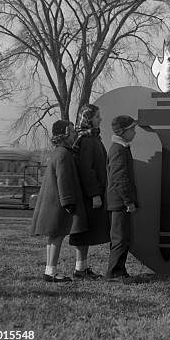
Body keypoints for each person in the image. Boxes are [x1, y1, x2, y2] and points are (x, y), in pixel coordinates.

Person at [31, 120, 87, 282]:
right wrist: (68, 202)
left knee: (53, 237)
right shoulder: (64, 154)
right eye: (71, 131)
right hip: (59, 203)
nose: (75, 134)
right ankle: (51, 272)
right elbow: (63, 180)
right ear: (65, 135)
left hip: (53, 201)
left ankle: (49, 270)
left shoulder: (58, 152)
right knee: (57, 236)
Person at [68, 103, 111, 279]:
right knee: (83, 232)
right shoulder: (85, 140)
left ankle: (82, 268)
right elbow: (87, 169)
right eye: (97, 116)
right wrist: (94, 194)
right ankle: (80, 269)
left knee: (86, 232)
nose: (100, 119)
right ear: (88, 119)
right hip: (88, 195)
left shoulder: (93, 138)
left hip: (92, 193)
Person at [105, 115, 139, 282]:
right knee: (119, 238)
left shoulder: (122, 148)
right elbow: (120, 178)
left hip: (119, 202)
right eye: (132, 129)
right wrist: (128, 201)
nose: (134, 132)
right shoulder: (118, 150)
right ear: (123, 131)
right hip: (119, 202)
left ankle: (120, 269)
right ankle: (113, 272)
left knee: (123, 237)